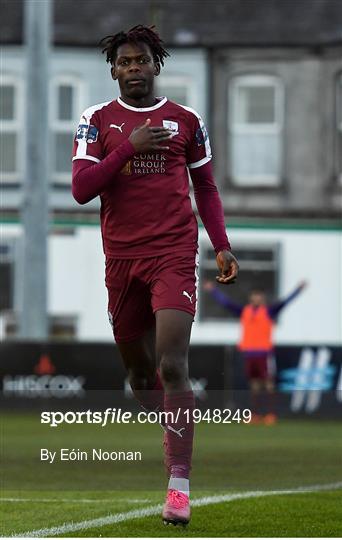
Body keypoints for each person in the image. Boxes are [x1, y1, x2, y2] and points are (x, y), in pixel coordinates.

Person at [71, 25, 238, 525]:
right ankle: (168, 427)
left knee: (171, 364)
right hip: (121, 258)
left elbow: (205, 187)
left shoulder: (186, 120)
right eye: (124, 62)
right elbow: (81, 189)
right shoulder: (96, 121)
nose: (134, 69)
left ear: (155, 64)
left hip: (173, 251)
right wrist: (129, 147)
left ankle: (178, 486)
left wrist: (221, 245)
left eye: (141, 60)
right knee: (143, 376)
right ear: (114, 70)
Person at [204, 281, 307, 424]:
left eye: (259, 296)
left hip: (264, 353)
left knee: (268, 384)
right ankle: (256, 414)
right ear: (251, 298)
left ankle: (271, 413)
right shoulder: (244, 311)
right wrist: (213, 290)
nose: (256, 298)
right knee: (255, 385)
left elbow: (285, 302)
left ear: (262, 298)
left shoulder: (269, 311)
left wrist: (298, 290)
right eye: (254, 296)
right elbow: (227, 303)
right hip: (249, 353)